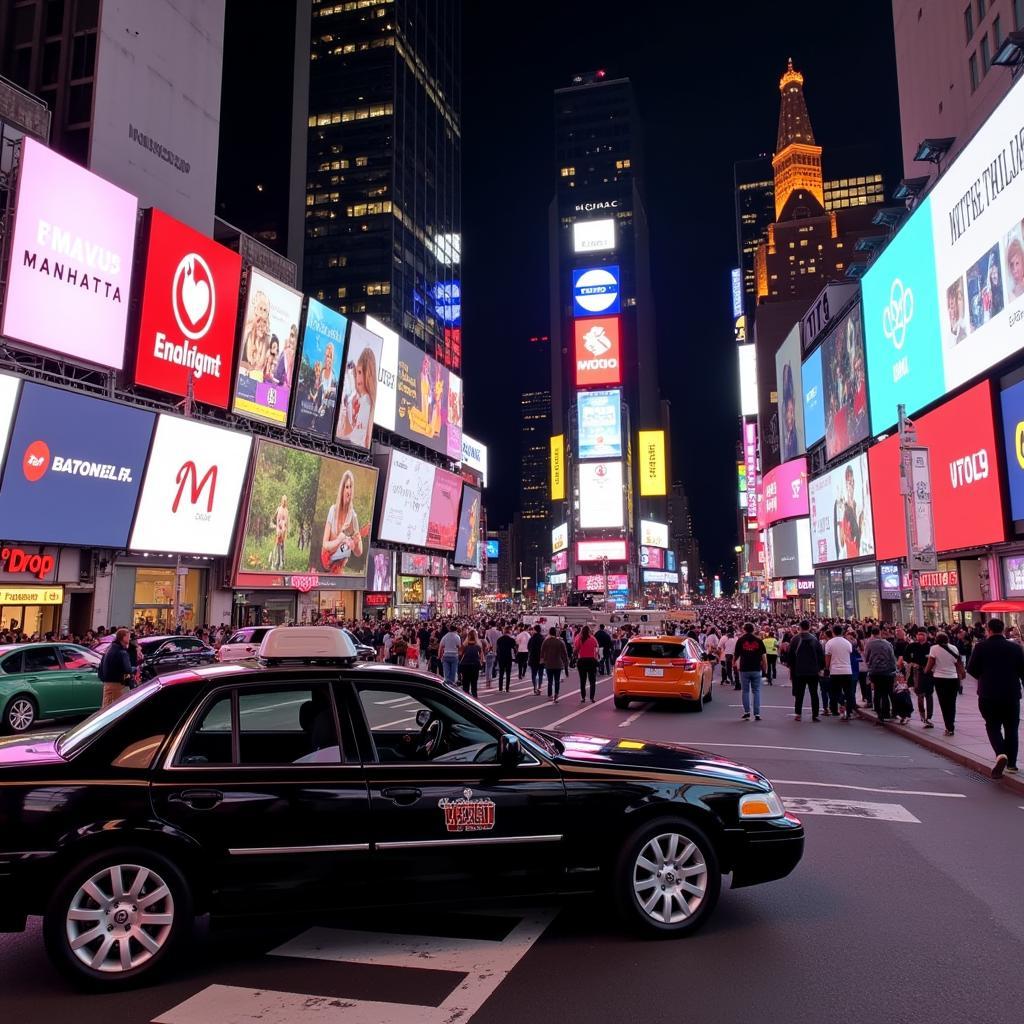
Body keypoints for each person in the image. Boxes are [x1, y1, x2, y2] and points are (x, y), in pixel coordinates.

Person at [967, 618, 1023, 778]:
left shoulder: (980, 647)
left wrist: (985, 677)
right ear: (1003, 629)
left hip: (988, 694)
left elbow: (972, 669)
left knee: (992, 725)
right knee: (1012, 728)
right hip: (1011, 694)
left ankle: (1000, 754)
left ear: (988, 630)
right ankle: (1011, 764)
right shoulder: (1016, 648)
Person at [321, 470, 363, 574]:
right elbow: (325, 545)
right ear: (342, 489)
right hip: (326, 564)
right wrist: (339, 539)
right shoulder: (333, 510)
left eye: (351, 487)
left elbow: (359, 552)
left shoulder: (353, 517)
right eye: (347, 487)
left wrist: (356, 544)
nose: (349, 491)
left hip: (339, 569)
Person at [926, 630, 965, 736]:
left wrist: (926, 671)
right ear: (947, 639)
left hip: (940, 678)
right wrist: (962, 674)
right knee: (952, 703)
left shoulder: (933, 649)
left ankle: (948, 727)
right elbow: (958, 663)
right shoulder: (954, 648)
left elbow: (930, 663)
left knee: (944, 703)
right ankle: (951, 725)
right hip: (953, 678)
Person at [337, 345, 377, 449]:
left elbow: (355, 437)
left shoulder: (366, 401)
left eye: (359, 372)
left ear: (367, 375)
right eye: (357, 373)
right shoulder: (359, 398)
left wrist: (337, 435)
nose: (357, 377)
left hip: (354, 448)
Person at [789, 619, 825, 721]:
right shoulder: (814, 639)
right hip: (813, 670)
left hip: (799, 670)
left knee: (799, 693)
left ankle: (798, 713)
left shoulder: (795, 639)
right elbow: (820, 655)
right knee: (814, 693)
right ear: (809, 627)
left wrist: (791, 669)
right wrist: (820, 668)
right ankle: (815, 714)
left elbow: (790, 656)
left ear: (800, 627)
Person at [863, 625, 898, 725]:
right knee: (888, 692)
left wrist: (870, 666)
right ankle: (889, 712)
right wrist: (894, 670)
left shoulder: (869, 644)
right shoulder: (887, 644)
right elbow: (892, 658)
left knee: (878, 692)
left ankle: (880, 714)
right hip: (887, 671)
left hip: (875, 671)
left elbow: (866, 657)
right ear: (880, 633)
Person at [735, 623, 766, 721]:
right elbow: (763, 657)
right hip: (756, 668)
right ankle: (757, 713)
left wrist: (733, 664)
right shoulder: (759, 640)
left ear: (744, 629)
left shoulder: (741, 640)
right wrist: (765, 668)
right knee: (756, 691)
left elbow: (736, 655)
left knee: (745, 691)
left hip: (744, 668)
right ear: (753, 629)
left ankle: (747, 712)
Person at [824, 625, 855, 720]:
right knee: (848, 692)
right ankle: (848, 711)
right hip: (847, 670)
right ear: (842, 632)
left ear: (833, 632)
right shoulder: (847, 643)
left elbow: (828, 657)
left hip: (835, 671)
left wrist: (827, 668)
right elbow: (850, 652)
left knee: (835, 692)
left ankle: (841, 703)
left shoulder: (829, 643)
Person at [905, 627, 934, 728]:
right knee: (920, 695)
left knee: (929, 695)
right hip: (917, 673)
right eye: (919, 634)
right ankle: (922, 715)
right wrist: (912, 663)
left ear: (926, 635)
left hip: (929, 673)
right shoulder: (912, 646)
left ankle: (929, 717)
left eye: (922, 634)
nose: (920, 636)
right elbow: (906, 657)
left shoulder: (931, 647)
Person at [98, 628, 134, 709]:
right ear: (124, 637)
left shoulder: (110, 648)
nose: (130, 639)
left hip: (108, 684)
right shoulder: (122, 652)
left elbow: (100, 667)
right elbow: (127, 671)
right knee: (118, 709)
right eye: (128, 636)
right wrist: (129, 684)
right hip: (118, 685)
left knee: (106, 708)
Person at [541, 626, 569, 703]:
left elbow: (542, 652)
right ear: (556, 633)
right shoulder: (560, 642)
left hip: (548, 664)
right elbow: (565, 654)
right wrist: (566, 662)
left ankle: (550, 695)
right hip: (558, 664)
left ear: (549, 632)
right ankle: (556, 695)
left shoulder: (546, 641)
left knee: (550, 680)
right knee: (557, 680)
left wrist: (543, 660)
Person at [574, 625, 600, 703]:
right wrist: (595, 656)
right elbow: (597, 649)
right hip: (591, 661)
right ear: (589, 631)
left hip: (582, 661)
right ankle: (592, 697)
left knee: (583, 680)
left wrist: (576, 656)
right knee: (592, 680)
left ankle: (583, 697)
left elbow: (576, 650)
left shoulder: (579, 639)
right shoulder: (593, 639)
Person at [459, 629, 483, 698]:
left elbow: (460, 655)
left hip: (465, 666)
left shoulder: (464, 646)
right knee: (474, 685)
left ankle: (465, 701)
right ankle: (475, 701)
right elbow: (481, 659)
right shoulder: (478, 647)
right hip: (475, 666)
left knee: (465, 686)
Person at [495, 625, 516, 692]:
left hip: (501, 657)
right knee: (508, 673)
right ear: (509, 632)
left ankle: (500, 688)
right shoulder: (511, 640)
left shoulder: (499, 639)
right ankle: (507, 688)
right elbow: (514, 648)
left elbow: (497, 649)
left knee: (501, 673)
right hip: (508, 657)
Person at [271, 495, 289, 571]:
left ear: (286, 502)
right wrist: (276, 527)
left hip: (283, 530)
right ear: (281, 501)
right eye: (283, 500)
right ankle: (276, 562)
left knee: (282, 546)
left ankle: (282, 562)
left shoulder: (287, 511)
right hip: (278, 529)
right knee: (277, 545)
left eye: (285, 501)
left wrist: (284, 530)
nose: (284, 502)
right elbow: (274, 518)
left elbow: (286, 522)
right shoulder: (278, 509)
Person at [527, 623, 545, 694]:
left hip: (533, 658)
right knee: (540, 674)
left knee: (534, 674)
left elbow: (528, 648)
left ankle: (535, 688)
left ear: (535, 630)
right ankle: (539, 688)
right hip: (541, 658)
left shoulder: (532, 638)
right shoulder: (542, 638)